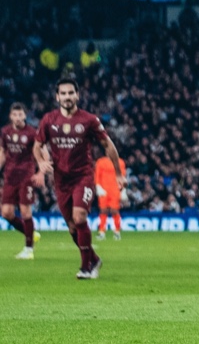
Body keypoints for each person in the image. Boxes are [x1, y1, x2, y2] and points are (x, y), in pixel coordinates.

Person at [35, 79, 124, 280]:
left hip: (82, 176)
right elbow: (37, 145)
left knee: (80, 217)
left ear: (77, 95)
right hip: (61, 180)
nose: (67, 97)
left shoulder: (89, 120)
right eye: (63, 94)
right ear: (57, 97)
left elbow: (107, 145)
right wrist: (41, 162)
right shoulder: (49, 120)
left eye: (70, 93)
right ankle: (94, 258)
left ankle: (86, 267)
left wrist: (118, 173)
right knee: (73, 227)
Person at [1, 103, 41, 259]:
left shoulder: (31, 133)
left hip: (26, 176)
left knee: (25, 211)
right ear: (10, 116)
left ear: (25, 115)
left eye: (20, 115)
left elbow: (38, 153)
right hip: (10, 177)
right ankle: (31, 233)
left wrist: (40, 172)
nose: (18, 118)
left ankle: (28, 249)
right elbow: (3, 153)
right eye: (15, 115)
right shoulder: (5, 132)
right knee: (6, 213)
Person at [95, 154, 125, 240]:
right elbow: (97, 175)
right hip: (103, 189)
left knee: (114, 210)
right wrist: (98, 186)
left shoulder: (120, 162)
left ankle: (117, 231)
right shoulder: (101, 162)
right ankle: (101, 231)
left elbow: (122, 176)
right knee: (103, 210)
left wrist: (123, 190)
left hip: (115, 189)